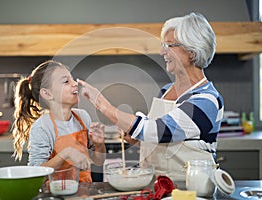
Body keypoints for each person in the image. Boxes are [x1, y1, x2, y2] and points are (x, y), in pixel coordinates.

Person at [78, 12, 224, 181]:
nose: (162, 51)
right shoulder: (166, 91)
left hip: (189, 189)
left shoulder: (206, 100)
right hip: (157, 184)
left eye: (169, 45)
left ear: (191, 52)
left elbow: (157, 130)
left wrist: (102, 103)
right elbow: (161, 142)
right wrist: (134, 138)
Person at [12, 60, 106, 183]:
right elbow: (35, 174)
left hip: (83, 193)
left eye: (72, 79)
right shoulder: (42, 128)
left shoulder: (83, 117)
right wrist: (65, 154)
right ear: (47, 93)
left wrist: (99, 145)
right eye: (66, 81)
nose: (75, 84)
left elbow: (98, 161)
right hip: (55, 193)